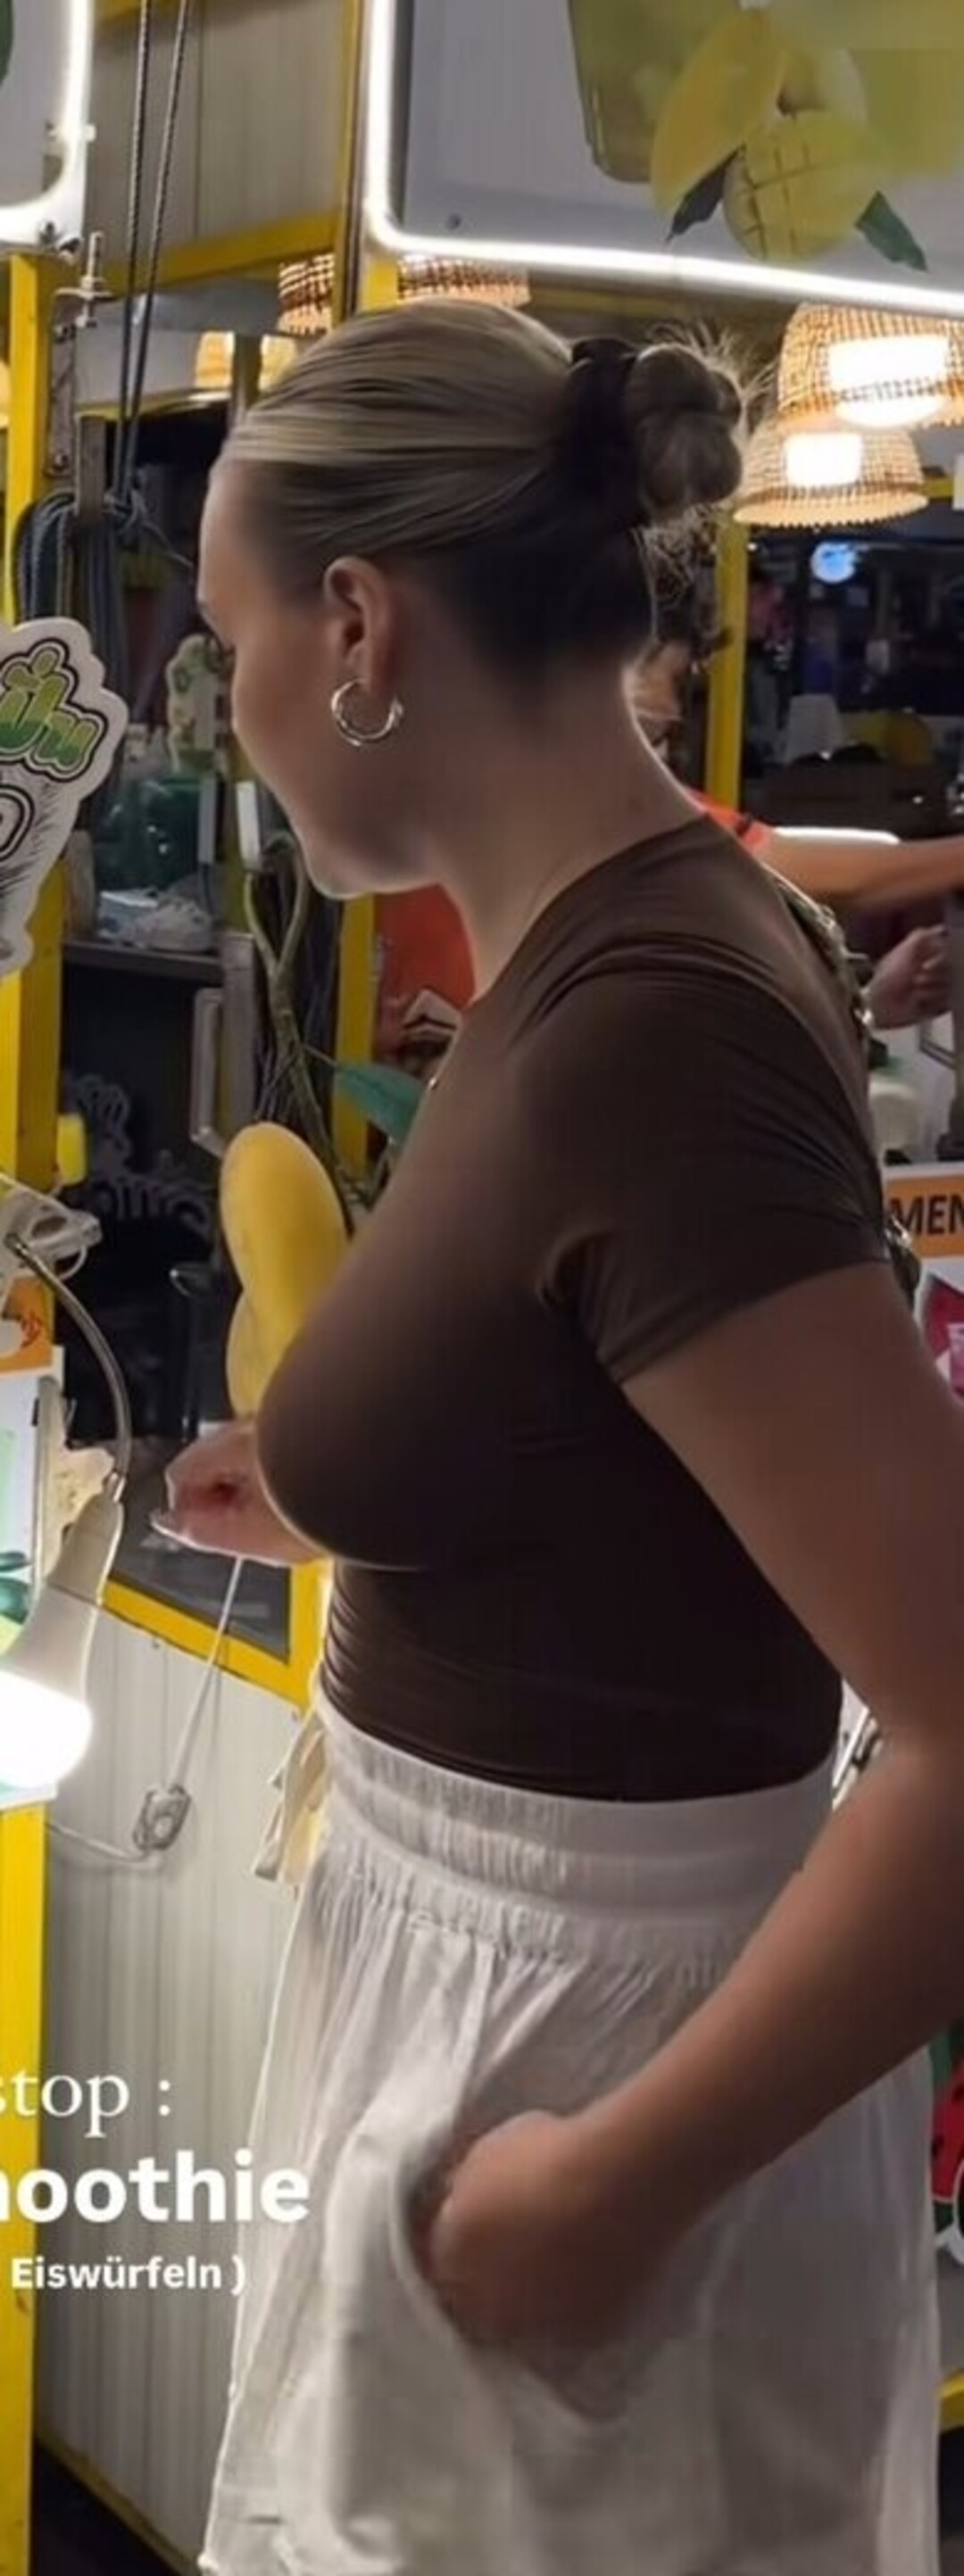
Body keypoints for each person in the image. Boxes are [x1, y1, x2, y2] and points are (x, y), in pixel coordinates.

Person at [161, 305, 963, 2575]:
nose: (225, 702)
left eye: (228, 639)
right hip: (495, 2004)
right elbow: (618, 1409)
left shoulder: (656, 1016)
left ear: (356, 626)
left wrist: (615, 2186)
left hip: (595, 2070)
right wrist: (359, 1505)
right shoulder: (603, 949)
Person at [632, 600, 964, 913]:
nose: (675, 710)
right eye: (676, 680)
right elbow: (799, 869)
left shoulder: (633, 795)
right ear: (625, 668)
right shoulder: (633, 803)